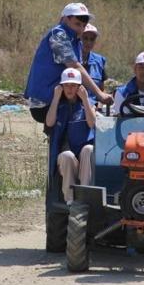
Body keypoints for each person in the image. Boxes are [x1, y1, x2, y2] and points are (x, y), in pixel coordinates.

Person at [24, 3, 113, 123]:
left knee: (91, 110)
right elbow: (74, 66)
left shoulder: (75, 40)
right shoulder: (58, 35)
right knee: (88, 117)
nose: (80, 29)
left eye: (83, 25)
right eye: (77, 24)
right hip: (45, 101)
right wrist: (99, 94)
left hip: (61, 95)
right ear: (65, 19)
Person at [46, 68, 96, 204]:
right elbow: (49, 122)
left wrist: (85, 100)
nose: (70, 89)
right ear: (61, 87)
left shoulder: (87, 103)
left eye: (73, 85)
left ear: (80, 87)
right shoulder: (58, 104)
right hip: (67, 157)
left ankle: (85, 195)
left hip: (83, 155)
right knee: (66, 155)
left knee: (89, 149)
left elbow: (92, 124)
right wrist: (56, 98)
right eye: (66, 85)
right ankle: (71, 200)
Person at [81, 23, 107, 106]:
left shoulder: (99, 61)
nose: (88, 42)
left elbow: (101, 89)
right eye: (85, 38)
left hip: (94, 108)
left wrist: (100, 104)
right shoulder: (69, 60)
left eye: (92, 39)